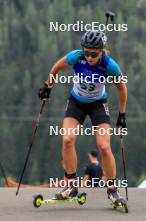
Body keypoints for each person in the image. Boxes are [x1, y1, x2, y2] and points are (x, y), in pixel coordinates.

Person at [38, 30, 127, 205]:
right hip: (76, 103)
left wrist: (122, 114)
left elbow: (122, 88)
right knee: (68, 139)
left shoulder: (110, 65)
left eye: (93, 54)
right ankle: (71, 185)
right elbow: (56, 68)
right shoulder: (76, 57)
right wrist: (47, 86)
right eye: (86, 52)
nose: (89, 57)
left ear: (102, 51)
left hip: (98, 105)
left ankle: (112, 189)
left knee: (104, 146)